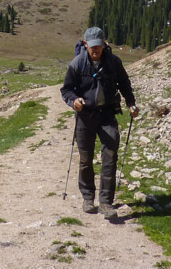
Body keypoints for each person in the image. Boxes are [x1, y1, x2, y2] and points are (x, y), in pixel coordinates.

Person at [61, 27, 139, 219]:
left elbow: (125, 84)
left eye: (99, 46)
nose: (96, 50)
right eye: (92, 46)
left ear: (104, 43)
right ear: (85, 44)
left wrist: (131, 104)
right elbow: (66, 90)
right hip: (85, 117)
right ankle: (88, 198)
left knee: (110, 158)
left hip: (107, 115)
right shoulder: (77, 63)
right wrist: (74, 102)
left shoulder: (114, 63)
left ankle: (106, 202)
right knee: (86, 160)